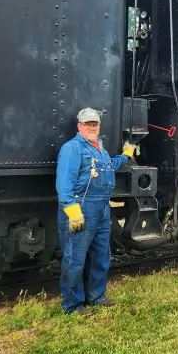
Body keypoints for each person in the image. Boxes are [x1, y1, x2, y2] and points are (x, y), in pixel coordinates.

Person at [56, 107, 135, 316]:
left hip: (102, 208)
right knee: (75, 258)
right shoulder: (72, 148)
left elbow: (109, 166)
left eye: (95, 124)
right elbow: (64, 184)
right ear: (79, 126)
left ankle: (96, 297)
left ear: (99, 126)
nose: (92, 127)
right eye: (88, 124)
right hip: (81, 208)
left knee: (101, 255)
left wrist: (126, 156)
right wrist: (72, 212)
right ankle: (72, 305)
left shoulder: (99, 148)